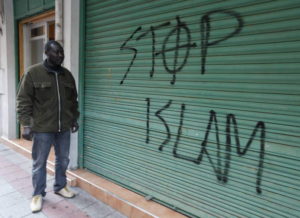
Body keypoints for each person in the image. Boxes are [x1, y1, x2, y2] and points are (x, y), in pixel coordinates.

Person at [16, 40, 80, 213]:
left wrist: (74, 118)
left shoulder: (67, 75)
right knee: (39, 162)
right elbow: (23, 101)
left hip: (63, 127)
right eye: (56, 52)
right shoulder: (33, 73)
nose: (60, 55)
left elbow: (73, 100)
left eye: (62, 52)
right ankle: (37, 194)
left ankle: (60, 186)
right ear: (46, 52)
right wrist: (26, 125)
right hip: (42, 128)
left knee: (63, 159)